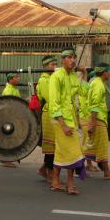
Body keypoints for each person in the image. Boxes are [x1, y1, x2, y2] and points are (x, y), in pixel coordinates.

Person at [49, 48, 88, 195]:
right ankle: (70, 183)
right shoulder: (56, 77)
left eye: (74, 57)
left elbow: (84, 92)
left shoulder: (73, 76)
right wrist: (63, 124)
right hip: (60, 121)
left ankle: (55, 180)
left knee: (62, 150)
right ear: (63, 60)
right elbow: (54, 103)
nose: (73, 60)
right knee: (73, 151)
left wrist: (83, 74)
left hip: (72, 119)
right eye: (69, 57)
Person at [83, 63, 110, 181]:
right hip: (98, 120)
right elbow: (95, 104)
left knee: (91, 146)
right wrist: (93, 122)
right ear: (104, 72)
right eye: (108, 71)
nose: (109, 74)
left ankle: (81, 168)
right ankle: (106, 172)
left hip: (98, 119)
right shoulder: (98, 84)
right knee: (101, 148)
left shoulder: (96, 82)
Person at [36, 55, 57, 182]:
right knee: (50, 146)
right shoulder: (44, 80)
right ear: (45, 67)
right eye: (51, 64)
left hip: (55, 113)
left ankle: (44, 169)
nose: (54, 66)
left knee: (54, 146)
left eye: (55, 64)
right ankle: (50, 173)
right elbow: (50, 98)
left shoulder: (52, 78)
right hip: (49, 113)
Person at [79, 71, 100, 173]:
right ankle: (81, 166)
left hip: (86, 117)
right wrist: (90, 119)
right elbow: (84, 105)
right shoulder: (85, 88)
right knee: (86, 141)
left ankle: (88, 164)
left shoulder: (88, 87)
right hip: (85, 117)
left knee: (88, 141)